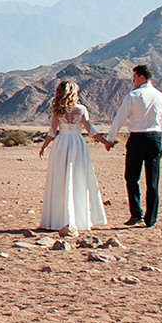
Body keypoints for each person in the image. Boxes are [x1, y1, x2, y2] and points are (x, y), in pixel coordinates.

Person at [102, 64, 162, 227]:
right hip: (155, 138)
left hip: (137, 138)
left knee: (131, 177)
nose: (133, 80)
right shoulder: (161, 97)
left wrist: (110, 138)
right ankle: (151, 218)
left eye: (134, 77)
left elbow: (119, 118)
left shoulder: (133, 95)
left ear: (141, 77)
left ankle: (136, 213)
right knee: (153, 180)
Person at [36, 80, 107, 233]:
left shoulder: (58, 109)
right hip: (77, 143)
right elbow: (91, 131)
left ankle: (59, 219)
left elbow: (52, 132)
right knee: (79, 178)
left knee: (60, 179)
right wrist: (105, 142)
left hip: (61, 144)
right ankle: (79, 219)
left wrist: (44, 146)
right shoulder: (81, 109)